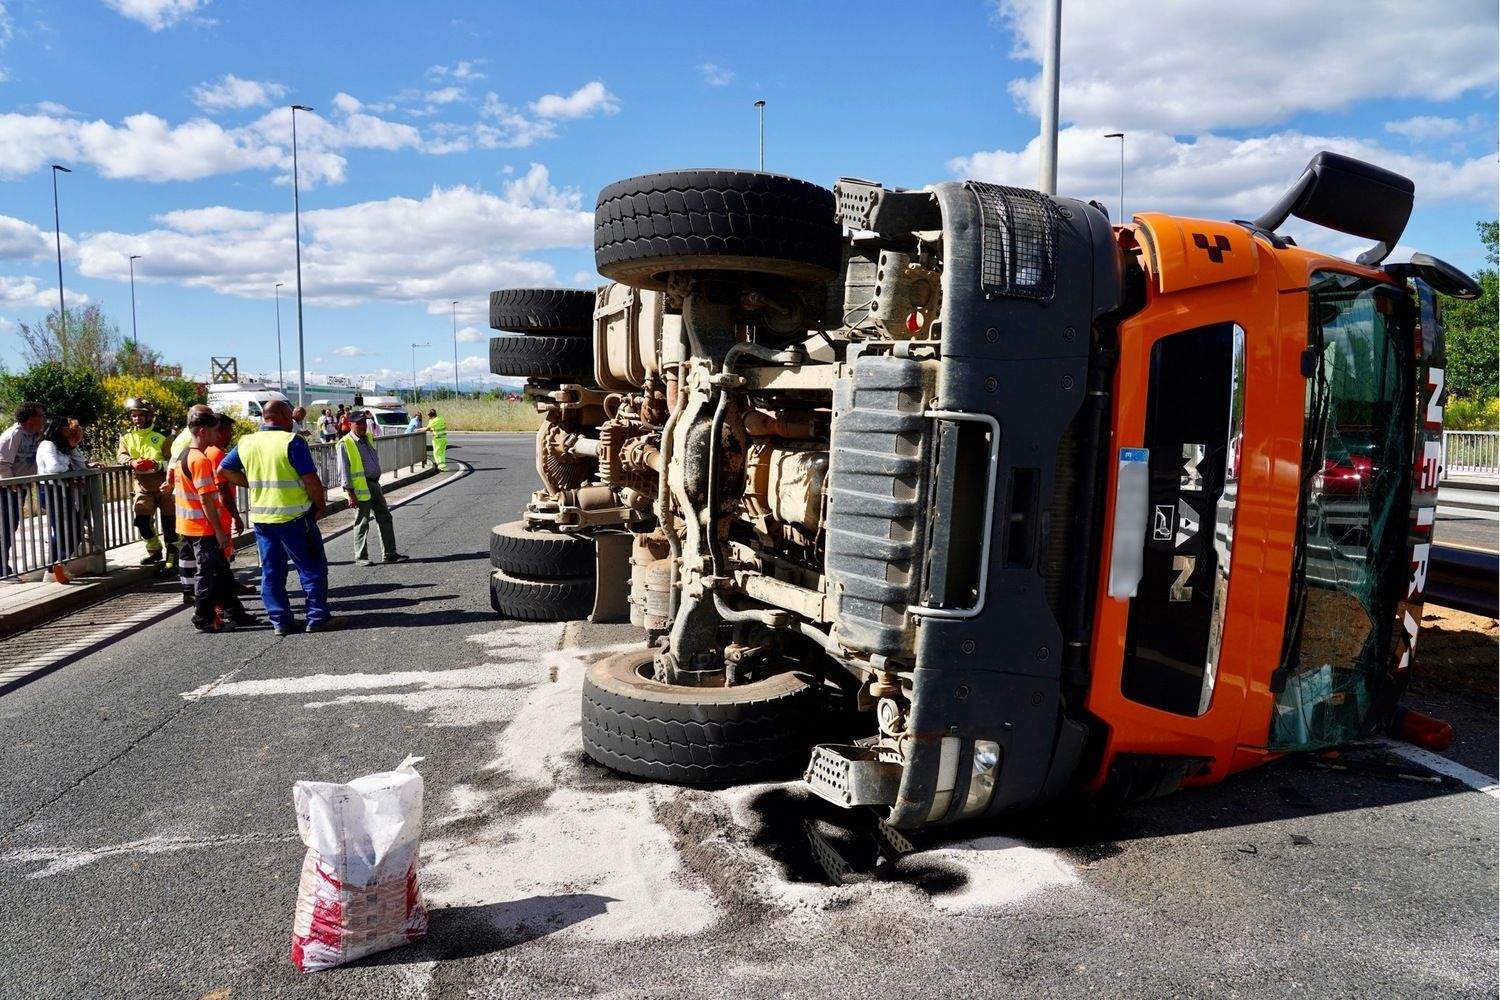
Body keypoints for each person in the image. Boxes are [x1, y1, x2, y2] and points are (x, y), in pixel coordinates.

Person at [217, 399, 341, 635]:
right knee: (312, 568)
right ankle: (317, 617)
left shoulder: (247, 442)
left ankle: (280, 622)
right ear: (284, 416)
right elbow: (310, 480)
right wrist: (320, 505)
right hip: (295, 517)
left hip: (263, 520)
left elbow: (223, 470)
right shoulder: (291, 441)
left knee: (271, 572)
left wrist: (252, 484)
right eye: (291, 418)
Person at [174, 405, 252, 633]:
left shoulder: (183, 456)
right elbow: (207, 500)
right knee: (208, 575)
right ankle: (203, 617)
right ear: (202, 432)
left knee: (222, 573)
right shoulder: (199, 460)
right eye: (213, 431)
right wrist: (219, 531)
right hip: (203, 529)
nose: (216, 436)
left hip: (188, 526)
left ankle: (234, 612)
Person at [338, 410, 408, 567]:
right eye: (359, 423)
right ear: (350, 424)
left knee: (385, 517)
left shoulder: (368, 438)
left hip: (374, 484)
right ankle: (361, 556)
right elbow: (344, 470)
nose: (363, 426)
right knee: (362, 522)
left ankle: (390, 554)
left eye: (364, 423)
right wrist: (350, 493)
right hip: (360, 487)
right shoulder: (345, 443)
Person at [116, 397, 177, 569]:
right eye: (134, 416)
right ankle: (155, 551)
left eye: (140, 415)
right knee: (142, 522)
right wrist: (131, 462)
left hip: (165, 485)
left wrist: (156, 465)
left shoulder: (164, 434)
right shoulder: (126, 436)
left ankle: (173, 557)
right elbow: (121, 455)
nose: (136, 419)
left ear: (149, 416)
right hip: (142, 486)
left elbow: (173, 460)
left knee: (169, 524)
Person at [36, 417, 88, 585]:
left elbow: (81, 466)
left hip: (63, 490)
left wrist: (73, 450)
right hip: (51, 490)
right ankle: (53, 568)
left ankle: (59, 564)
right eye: (65, 427)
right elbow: (53, 467)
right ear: (58, 428)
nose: (68, 430)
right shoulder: (47, 445)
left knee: (74, 530)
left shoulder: (63, 447)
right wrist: (69, 472)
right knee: (62, 530)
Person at [0, 401, 45, 578]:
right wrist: (12, 484)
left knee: (11, 525)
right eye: (40, 415)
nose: (43, 419)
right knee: (4, 526)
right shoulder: (13, 435)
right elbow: (2, 463)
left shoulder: (35, 434)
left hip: (19, 487)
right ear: (30, 419)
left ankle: (3, 566)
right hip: (6, 489)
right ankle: (2, 567)